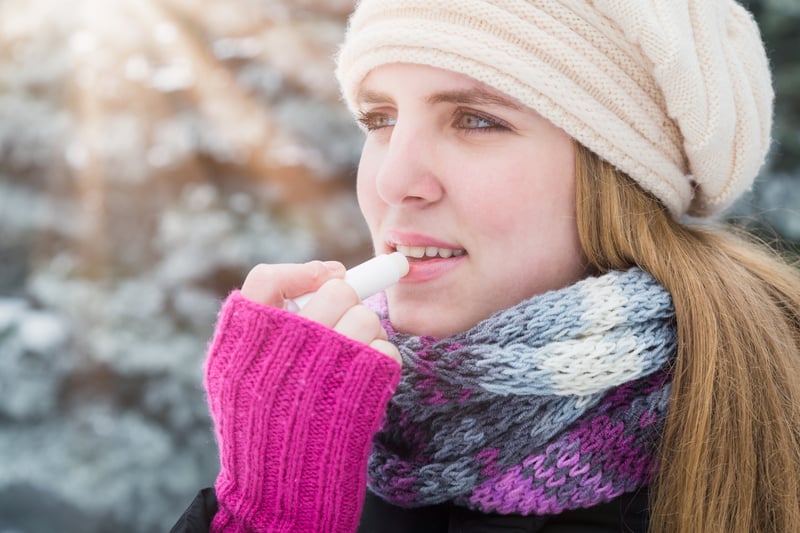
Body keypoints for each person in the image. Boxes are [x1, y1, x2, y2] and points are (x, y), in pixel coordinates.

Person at [171, 0, 800, 531]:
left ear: (617, 177)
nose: (394, 181)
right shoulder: (337, 425)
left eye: (476, 120)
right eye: (380, 118)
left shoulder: (762, 422)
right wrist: (265, 506)